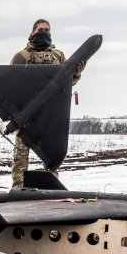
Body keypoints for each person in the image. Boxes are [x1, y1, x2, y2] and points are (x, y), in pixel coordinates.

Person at [9, 19, 84, 189]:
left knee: (50, 155)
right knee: (20, 155)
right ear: (32, 32)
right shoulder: (21, 56)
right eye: (40, 29)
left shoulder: (58, 56)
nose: (43, 32)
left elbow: (68, 82)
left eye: (47, 29)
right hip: (27, 114)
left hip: (51, 114)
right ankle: (18, 188)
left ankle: (52, 188)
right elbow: (11, 84)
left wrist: (77, 72)